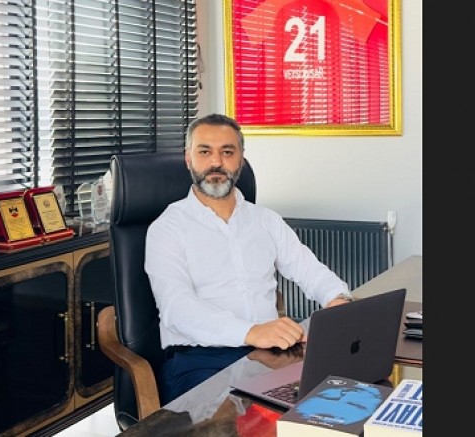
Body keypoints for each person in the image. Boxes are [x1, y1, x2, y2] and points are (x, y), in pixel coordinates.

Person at [145, 113, 354, 404]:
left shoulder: (265, 220)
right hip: (201, 359)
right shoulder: (167, 228)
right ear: (188, 159)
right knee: (242, 421)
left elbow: (308, 269)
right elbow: (177, 308)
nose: (216, 162)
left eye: (227, 152)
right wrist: (251, 332)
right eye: (204, 152)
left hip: (271, 353)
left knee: (344, 395)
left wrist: (337, 300)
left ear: (241, 159)